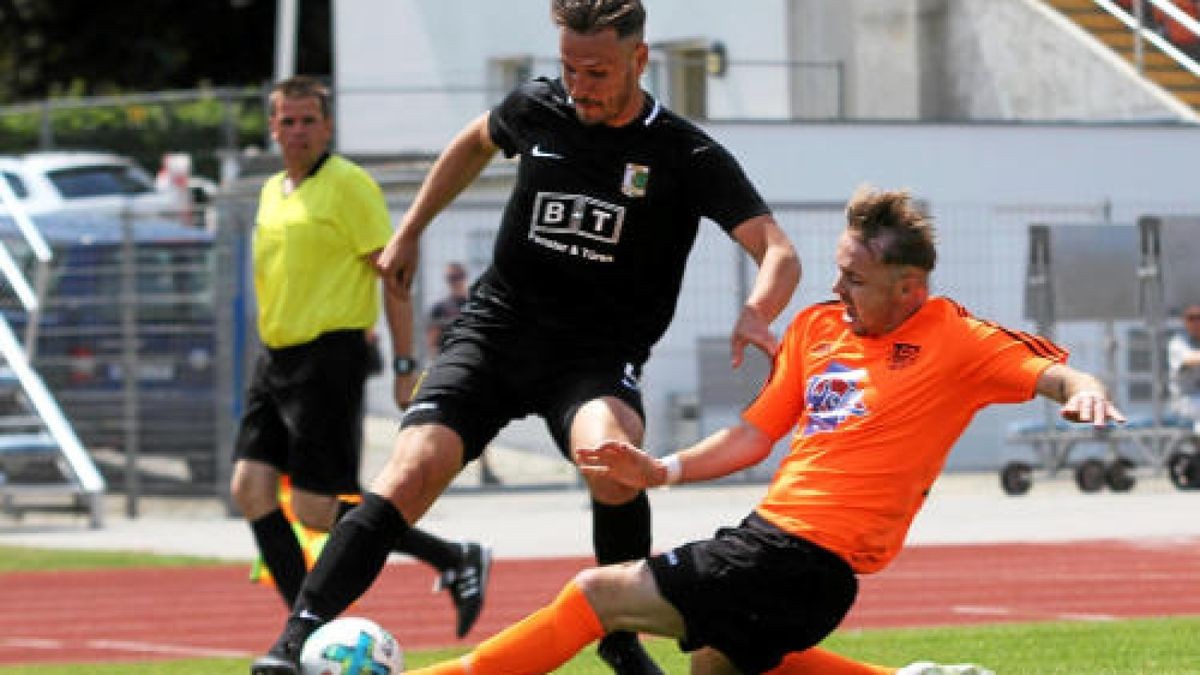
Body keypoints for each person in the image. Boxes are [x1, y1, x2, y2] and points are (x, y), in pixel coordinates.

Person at [250, 1, 801, 673]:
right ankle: (291, 639)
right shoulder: (538, 108)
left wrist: (757, 310)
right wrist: (412, 228)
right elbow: (474, 141)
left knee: (612, 457)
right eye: (569, 68)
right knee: (412, 466)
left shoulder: (683, 152)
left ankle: (618, 636)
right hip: (495, 333)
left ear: (639, 58)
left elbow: (776, 248)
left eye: (596, 72)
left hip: (593, 357)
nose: (580, 87)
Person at [400, 184, 1126, 675]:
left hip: (808, 558)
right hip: (771, 541)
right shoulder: (817, 327)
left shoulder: (958, 337)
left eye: (856, 280)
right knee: (713, 661)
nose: (837, 290)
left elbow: (1058, 373)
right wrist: (665, 470)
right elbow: (753, 435)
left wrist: (1085, 392)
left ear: (911, 288)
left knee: (598, 593)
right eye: (839, 272)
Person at [230, 75, 491, 644]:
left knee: (317, 509)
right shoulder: (274, 189)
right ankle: (304, 630)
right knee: (251, 489)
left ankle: (450, 556)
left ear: (327, 127)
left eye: (308, 120)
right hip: (275, 358)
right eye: (286, 120)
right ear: (272, 127)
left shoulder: (349, 185)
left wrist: (405, 368)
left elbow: (394, 279)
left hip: (329, 355)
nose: (297, 130)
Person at [425, 262, 500, 485]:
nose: (455, 281)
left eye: (458, 276)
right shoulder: (440, 308)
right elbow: (431, 340)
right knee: (444, 424)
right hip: (449, 369)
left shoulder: (473, 302)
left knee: (481, 421)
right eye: (451, 278)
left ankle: (485, 470)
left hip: (477, 369)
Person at [1167, 302, 1200, 426]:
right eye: (1191, 318)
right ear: (1185, 322)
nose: (1196, 322)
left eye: (1199, 318)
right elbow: (1190, 359)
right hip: (1185, 401)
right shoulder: (1178, 343)